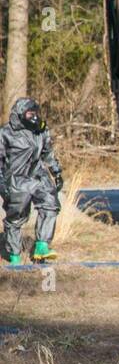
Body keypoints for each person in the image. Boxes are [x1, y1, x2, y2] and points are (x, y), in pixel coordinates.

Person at [2, 98, 63, 265]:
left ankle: (42, 246)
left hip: (38, 176)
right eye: (30, 113)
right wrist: (2, 184)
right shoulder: (6, 133)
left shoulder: (41, 131)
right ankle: (14, 255)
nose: (34, 117)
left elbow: (47, 153)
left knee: (50, 203)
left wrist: (56, 172)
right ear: (21, 115)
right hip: (16, 180)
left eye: (36, 113)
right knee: (16, 218)